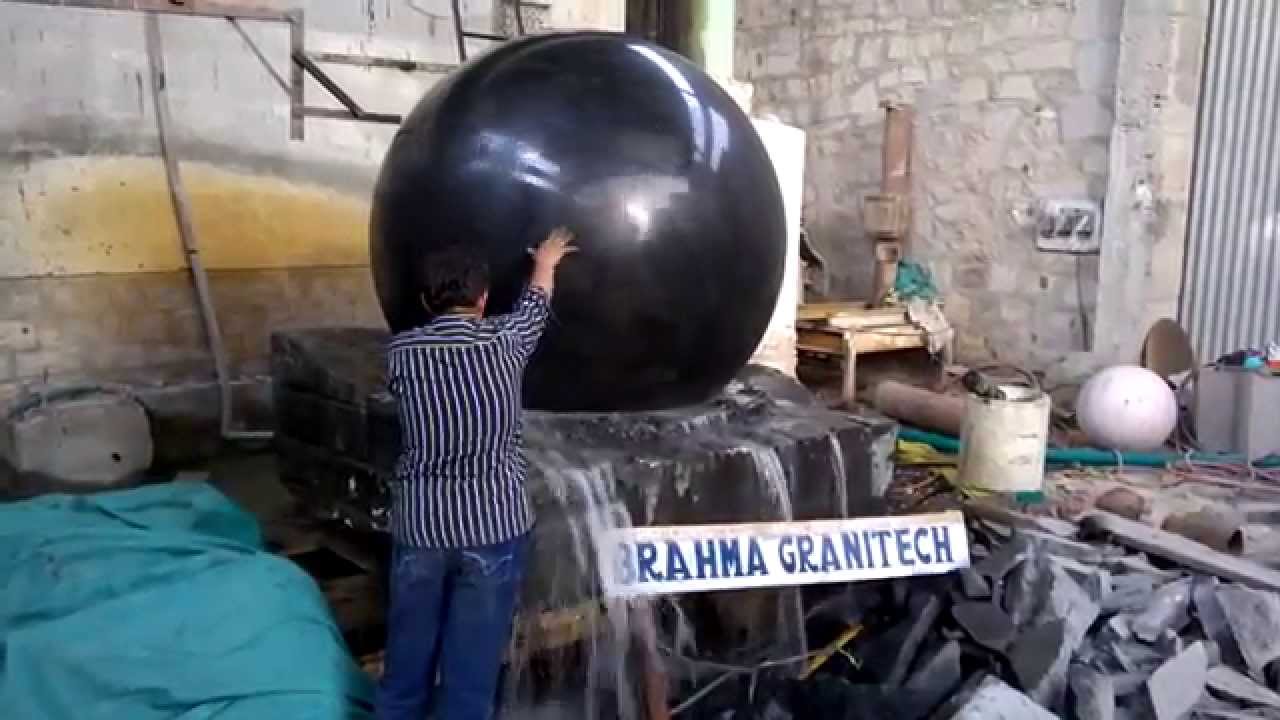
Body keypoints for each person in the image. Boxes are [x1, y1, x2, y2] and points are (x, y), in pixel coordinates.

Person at [377, 228, 577, 720]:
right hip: (492, 526)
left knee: (405, 664)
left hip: (422, 526)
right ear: (484, 298)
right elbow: (535, 305)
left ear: (427, 299)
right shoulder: (506, 343)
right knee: (471, 674)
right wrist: (546, 262)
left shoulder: (402, 353)